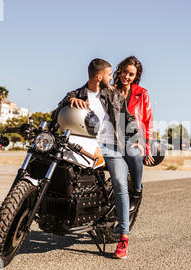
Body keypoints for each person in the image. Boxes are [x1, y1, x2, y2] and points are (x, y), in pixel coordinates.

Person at [50, 58, 141, 259]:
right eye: (109, 74)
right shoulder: (75, 95)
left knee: (119, 182)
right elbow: (55, 115)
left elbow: (129, 119)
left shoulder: (114, 95)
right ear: (99, 77)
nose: (112, 77)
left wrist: (134, 138)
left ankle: (124, 237)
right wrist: (68, 104)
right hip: (84, 146)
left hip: (110, 147)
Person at [112, 56, 154, 202]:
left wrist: (147, 147)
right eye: (125, 72)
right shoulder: (111, 91)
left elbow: (148, 121)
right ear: (120, 71)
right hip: (113, 138)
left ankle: (137, 189)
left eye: (131, 74)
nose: (127, 77)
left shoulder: (141, 93)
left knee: (134, 154)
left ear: (136, 77)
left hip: (135, 139)